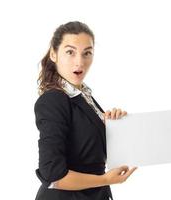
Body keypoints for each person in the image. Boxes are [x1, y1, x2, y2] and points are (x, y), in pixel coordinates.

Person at [34, 21, 137, 200]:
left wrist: (112, 127)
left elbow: (89, 150)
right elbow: (52, 173)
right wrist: (104, 179)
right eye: (70, 52)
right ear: (53, 54)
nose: (79, 62)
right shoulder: (54, 99)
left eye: (87, 53)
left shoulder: (83, 96)